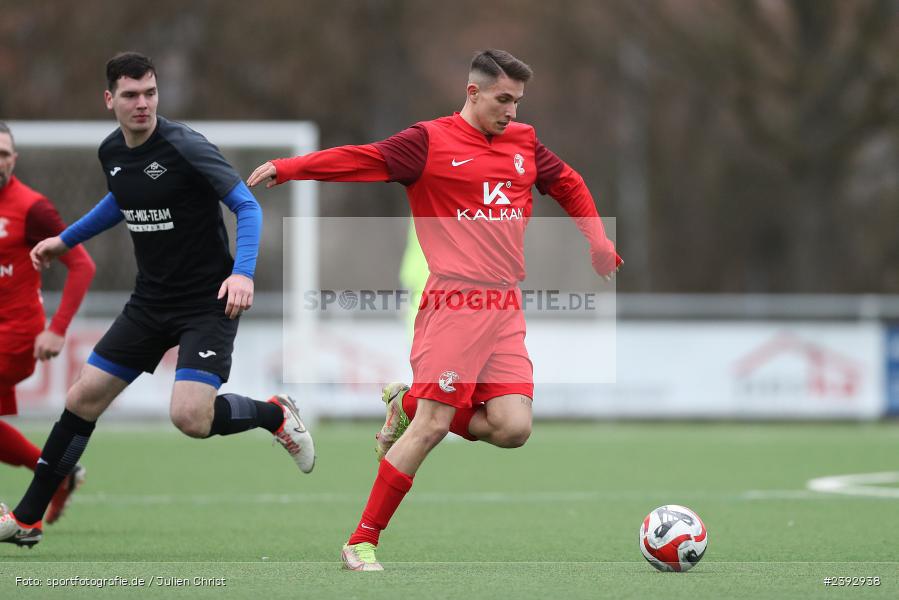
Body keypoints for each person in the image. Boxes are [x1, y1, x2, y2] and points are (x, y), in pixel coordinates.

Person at [248, 48, 621, 571]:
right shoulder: (428, 142)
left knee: (513, 428)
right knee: (432, 425)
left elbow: (569, 183)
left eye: (517, 101)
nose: (511, 111)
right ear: (473, 92)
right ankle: (361, 541)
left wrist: (597, 241)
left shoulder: (523, 143)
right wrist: (291, 168)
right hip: (455, 301)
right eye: (503, 99)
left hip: (506, 304)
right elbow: (363, 159)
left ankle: (407, 403)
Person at [0, 52, 315, 548]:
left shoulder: (185, 145)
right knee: (82, 398)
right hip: (150, 301)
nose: (142, 103)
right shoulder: (112, 152)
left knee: (190, 418)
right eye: (130, 95)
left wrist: (242, 274)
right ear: (110, 100)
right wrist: (66, 239)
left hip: (208, 301)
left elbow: (245, 205)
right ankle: (27, 518)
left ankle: (275, 414)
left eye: (149, 93)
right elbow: (119, 201)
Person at [0, 121, 96, 525]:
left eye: (3, 154)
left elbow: (82, 265)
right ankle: (57, 473)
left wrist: (56, 328)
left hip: (19, 335)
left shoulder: (31, 207)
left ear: (14, 159)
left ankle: (24, 519)